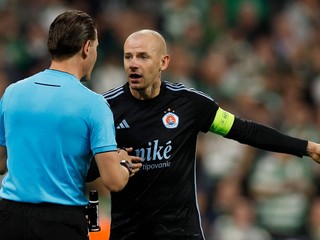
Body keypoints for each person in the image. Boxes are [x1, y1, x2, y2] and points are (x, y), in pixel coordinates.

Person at [93, 29, 320, 239]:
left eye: (143, 57)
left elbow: (245, 130)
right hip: (129, 234)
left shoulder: (189, 104)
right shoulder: (104, 108)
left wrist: (306, 147)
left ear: (164, 62)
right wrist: (110, 162)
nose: (133, 64)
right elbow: (81, 169)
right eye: (128, 57)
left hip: (181, 233)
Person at [0, 10, 142, 240]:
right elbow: (113, 181)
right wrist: (123, 163)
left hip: (9, 219)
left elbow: (0, 161)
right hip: (60, 223)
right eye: (95, 46)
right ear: (87, 47)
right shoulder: (94, 105)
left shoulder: (13, 92)